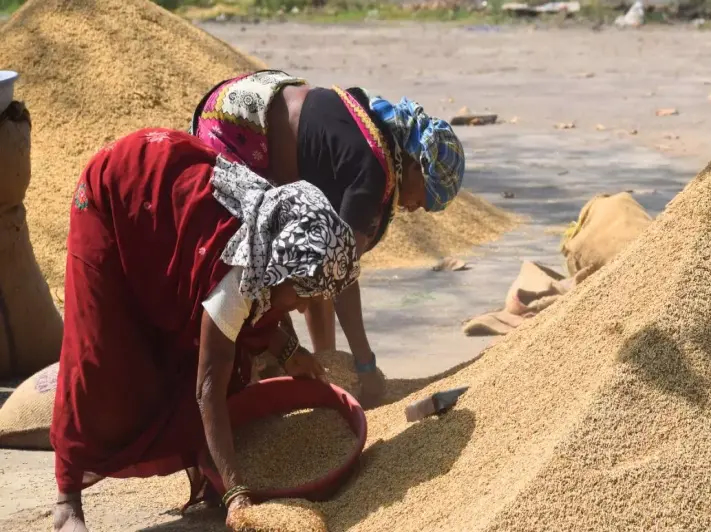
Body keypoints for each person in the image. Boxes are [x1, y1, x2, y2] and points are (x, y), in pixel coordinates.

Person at [51, 128, 359, 532]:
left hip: (165, 195)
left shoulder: (270, 242)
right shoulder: (239, 274)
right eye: (301, 295)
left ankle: (207, 464)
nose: (303, 307)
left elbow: (258, 312)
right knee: (102, 358)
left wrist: (289, 353)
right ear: (279, 272)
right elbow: (207, 387)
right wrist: (238, 494)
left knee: (213, 353)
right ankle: (67, 498)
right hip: (114, 194)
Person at [190, 70, 466, 406]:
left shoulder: (376, 128)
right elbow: (341, 273)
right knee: (250, 274)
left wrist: (327, 360)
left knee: (307, 267)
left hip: (249, 98)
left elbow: (325, 263)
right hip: (239, 131)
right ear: (415, 167)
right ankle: (239, 378)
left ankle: (310, 363)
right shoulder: (372, 171)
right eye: (424, 198)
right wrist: (365, 365)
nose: (415, 208)